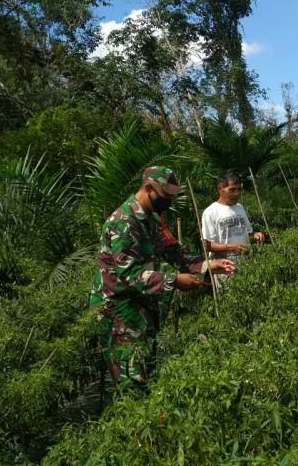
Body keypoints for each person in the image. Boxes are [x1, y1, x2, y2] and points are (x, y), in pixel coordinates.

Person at [90, 165, 235, 390]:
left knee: (147, 369)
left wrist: (206, 265)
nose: (169, 201)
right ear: (149, 189)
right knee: (131, 382)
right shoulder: (124, 222)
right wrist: (175, 280)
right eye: (166, 196)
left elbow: (173, 250)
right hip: (118, 312)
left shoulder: (153, 219)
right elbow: (129, 274)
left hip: (140, 307)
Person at [201, 170, 265, 289]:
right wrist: (231, 247)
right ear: (220, 189)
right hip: (224, 266)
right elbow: (207, 245)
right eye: (232, 189)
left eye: (239, 189)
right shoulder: (210, 212)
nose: (236, 193)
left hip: (247, 261)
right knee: (229, 297)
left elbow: (248, 233)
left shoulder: (239, 208)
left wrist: (256, 235)